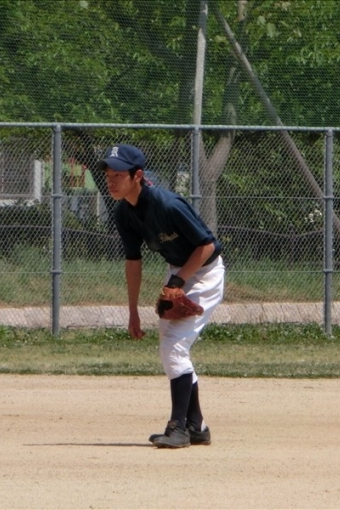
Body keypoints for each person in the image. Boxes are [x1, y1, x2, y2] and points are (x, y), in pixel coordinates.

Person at [97, 144, 225, 449]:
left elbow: (207, 246)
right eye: (108, 175)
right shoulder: (124, 213)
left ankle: (178, 428)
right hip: (178, 272)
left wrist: (179, 282)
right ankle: (197, 426)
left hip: (205, 273)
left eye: (118, 175)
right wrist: (132, 312)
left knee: (174, 347)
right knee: (172, 348)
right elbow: (133, 261)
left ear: (137, 175)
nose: (111, 181)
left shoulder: (167, 204)